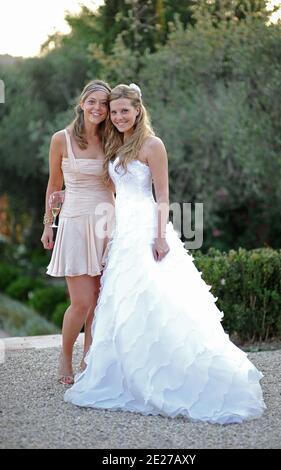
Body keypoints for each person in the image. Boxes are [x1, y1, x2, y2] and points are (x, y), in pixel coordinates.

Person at [64, 84, 266, 424]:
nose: (118, 116)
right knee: (123, 300)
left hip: (146, 230)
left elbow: (162, 195)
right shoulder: (116, 144)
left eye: (124, 110)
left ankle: (168, 372)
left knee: (157, 298)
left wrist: (159, 237)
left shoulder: (152, 145)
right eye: (114, 112)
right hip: (121, 230)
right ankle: (126, 368)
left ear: (138, 111)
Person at [41, 80, 115, 385]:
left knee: (99, 299)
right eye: (92, 101)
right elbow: (54, 185)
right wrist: (48, 223)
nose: (97, 108)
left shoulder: (114, 139)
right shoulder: (62, 139)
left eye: (104, 104)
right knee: (82, 301)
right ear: (82, 103)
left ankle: (90, 357)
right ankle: (65, 356)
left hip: (108, 222)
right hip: (73, 222)